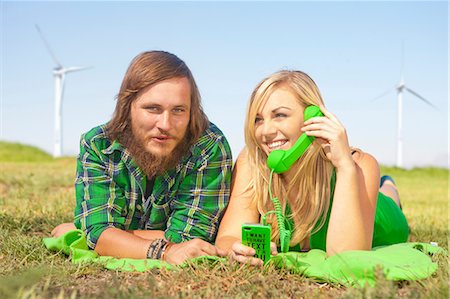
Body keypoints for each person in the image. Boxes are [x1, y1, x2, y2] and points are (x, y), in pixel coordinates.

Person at [51, 51, 233, 265]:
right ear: (127, 106)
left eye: (178, 110)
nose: (165, 124)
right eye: (152, 109)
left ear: (191, 112)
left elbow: (190, 238)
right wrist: (163, 251)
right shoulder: (98, 145)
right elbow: (99, 233)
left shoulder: (209, 146)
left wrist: (109, 235)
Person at [215, 70, 409, 265]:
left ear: (312, 117)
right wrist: (237, 248)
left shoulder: (359, 165)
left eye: (280, 115)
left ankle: (389, 185)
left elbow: (346, 258)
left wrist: (344, 167)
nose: (265, 131)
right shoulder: (253, 162)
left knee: (388, 193)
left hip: (384, 218)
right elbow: (227, 237)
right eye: (258, 119)